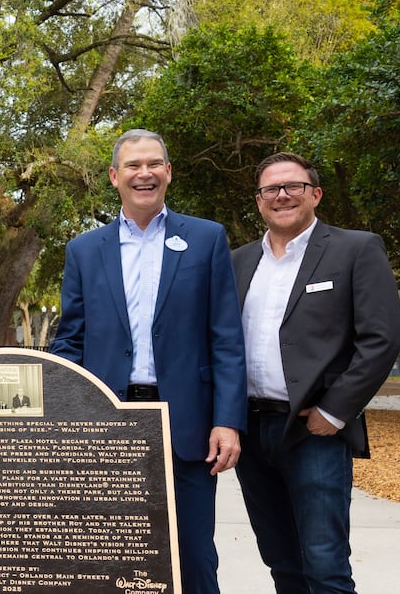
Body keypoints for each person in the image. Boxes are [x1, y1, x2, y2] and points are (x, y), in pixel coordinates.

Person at [50, 129, 246, 594]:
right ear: (115, 177)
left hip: (187, 427)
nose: (145, 173)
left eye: (154, 163)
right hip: (105, 426)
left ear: (168, 173)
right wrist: (64, 418)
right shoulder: (83, 250)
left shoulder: (206, 239)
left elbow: (226, 339)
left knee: (194, 558)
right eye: (133, 166)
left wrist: (228, 421)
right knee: (107, 560)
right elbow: (69, 341)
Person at [232, 152, 400, 593]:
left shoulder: (355, 248)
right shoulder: (238, 261)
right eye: (271, 189)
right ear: (259, 201)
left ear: (315, 194)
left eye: (294, 186)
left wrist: (334, 411)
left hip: (313, 430)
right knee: (281, 561)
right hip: (249, 431)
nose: (282, 195)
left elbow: (381, 339)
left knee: (325, 565)